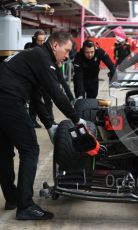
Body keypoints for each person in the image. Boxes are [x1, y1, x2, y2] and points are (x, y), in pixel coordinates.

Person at [0, 31, 86, 220]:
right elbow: (56, 94)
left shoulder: (34, 56)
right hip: (8, 101)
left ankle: (13, 198)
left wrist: (49, 125)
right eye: (67, 50)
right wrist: (77, 119)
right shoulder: (42, 57)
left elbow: (36, 98)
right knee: (30, 150)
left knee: (4, 152)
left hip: (4, 100)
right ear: (55, 45)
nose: (67, 55)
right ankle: (26, 206)